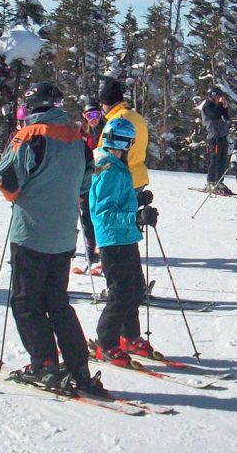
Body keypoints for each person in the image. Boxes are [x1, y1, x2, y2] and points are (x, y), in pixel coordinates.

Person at [0, 82, 103, 395]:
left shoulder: (29, 135)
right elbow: (86, 182)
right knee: (57, 303)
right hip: (63, 236)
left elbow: (8, 185)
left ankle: (44, 363)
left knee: (26, 302)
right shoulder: (77, 136)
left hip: (31, 234)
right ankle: (78, 366)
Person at [89, 118, 160, 365]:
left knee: (135, 289)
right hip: (113, 241)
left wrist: (137, 200)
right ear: (126, 142)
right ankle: (106, 343)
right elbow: (103, 213)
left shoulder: (116, 166)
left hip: (126, 237)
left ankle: (129, 336)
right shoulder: (108, 169)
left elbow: (117, 201)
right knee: (120, 294)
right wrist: (136, 216)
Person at [99, 77, 149, 191]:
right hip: (139, 176)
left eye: (102, 104)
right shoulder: (137, 117)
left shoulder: (115, 122)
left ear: (107, 102)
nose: (102, 107)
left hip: (120, 179)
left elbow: (102, 152)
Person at [79, 101, 106, 273]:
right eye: (89, 116)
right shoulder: (82, 133)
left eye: (95, 115)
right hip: (86, 177)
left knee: (100, 213)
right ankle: (90, 247)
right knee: (86, 213)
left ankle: (103, 248)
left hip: (101, 176)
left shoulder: (106, 130)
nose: (93, 119)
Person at [202, 87, 232, 195]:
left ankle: (219, 181)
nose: (221, 99)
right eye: (219, 96)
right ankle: (211, 181)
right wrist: (220, 105)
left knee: (223, 160)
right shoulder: (208, 106)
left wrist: (225, 108)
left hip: (222, 136)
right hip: (214, 137)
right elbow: (214, 114)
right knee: (214, 160)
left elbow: (226, 117)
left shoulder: (218, 107)